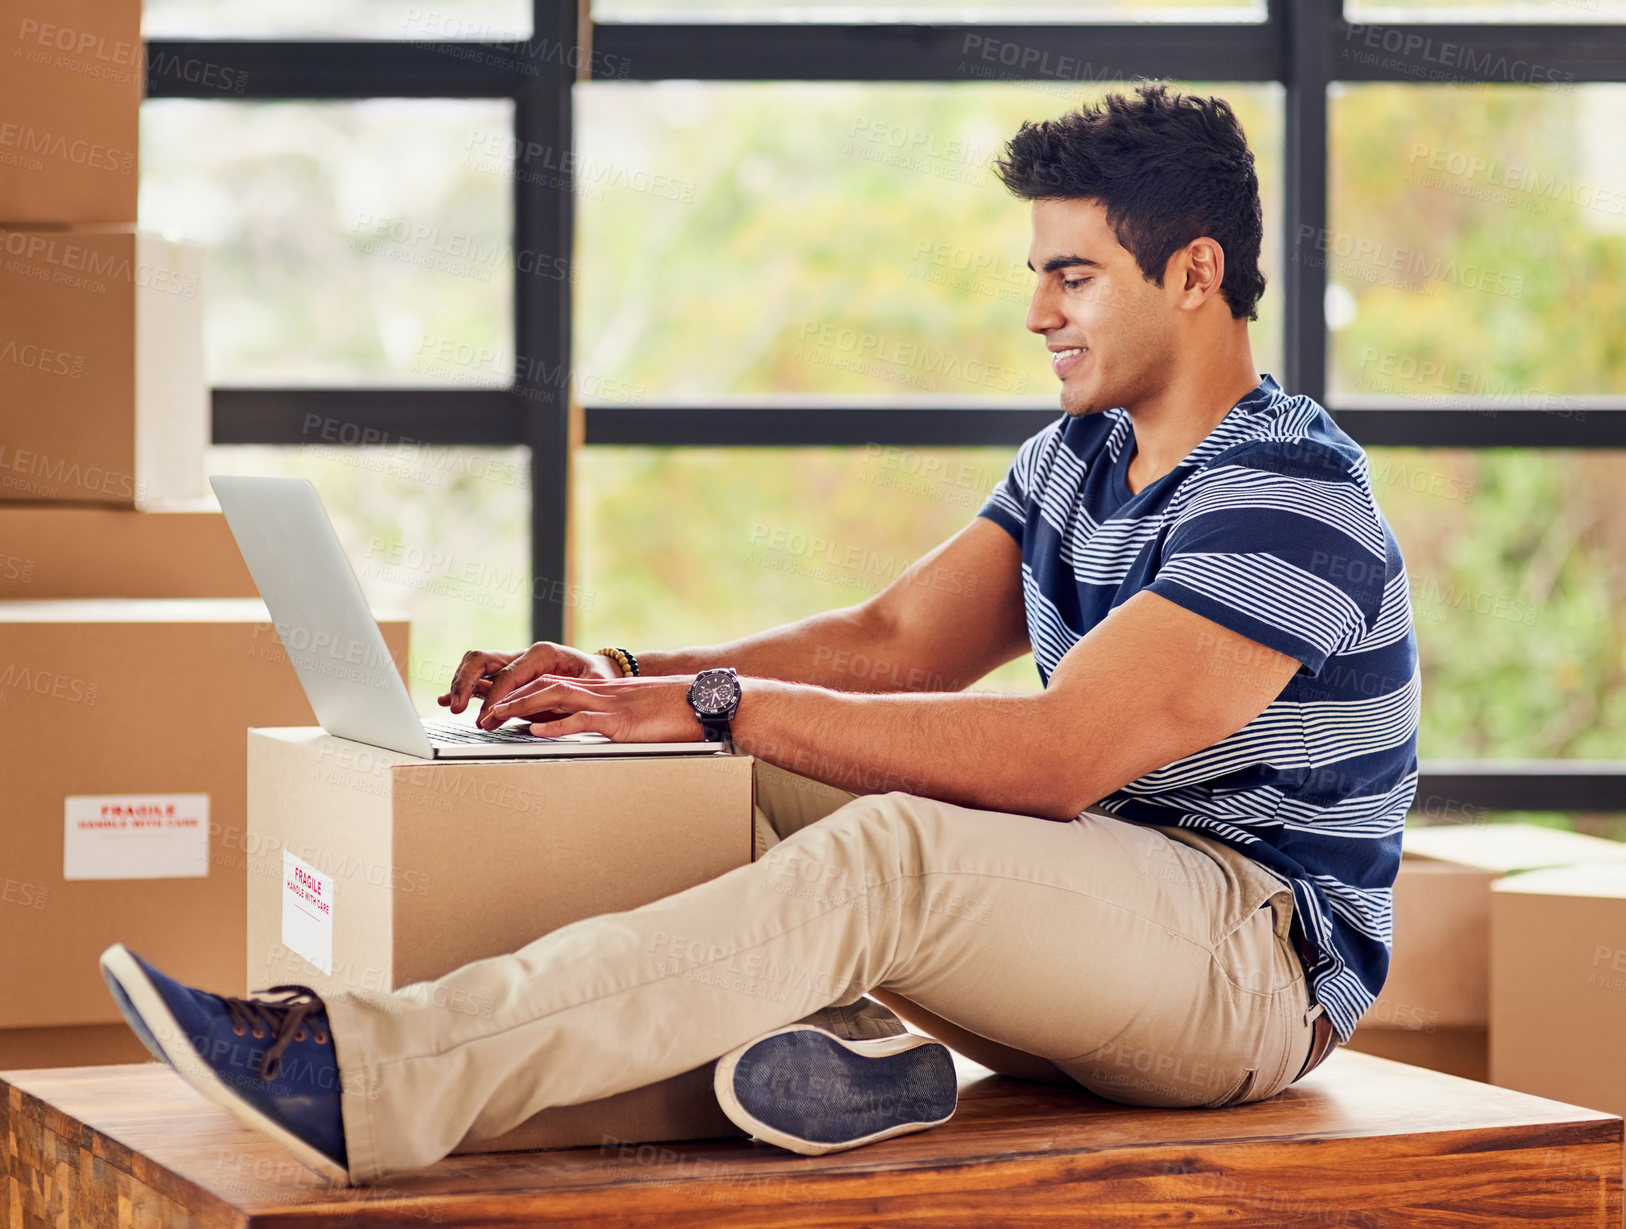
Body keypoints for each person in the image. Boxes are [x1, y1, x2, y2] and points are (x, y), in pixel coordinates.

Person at [100, 82, 1418, 1187]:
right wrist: (630, 680)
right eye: (1034, 276)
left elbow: (1061, 751)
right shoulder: (1076, 459)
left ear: (1192, 273)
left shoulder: (1287, 490)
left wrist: (723, 698)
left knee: (881, 847)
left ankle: (368, 1072)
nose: (1035, 313)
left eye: (1071, 276)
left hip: (1247, 963)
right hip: (1090, 920)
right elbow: (894, 637)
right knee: (713, 762)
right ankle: (856, 1046)